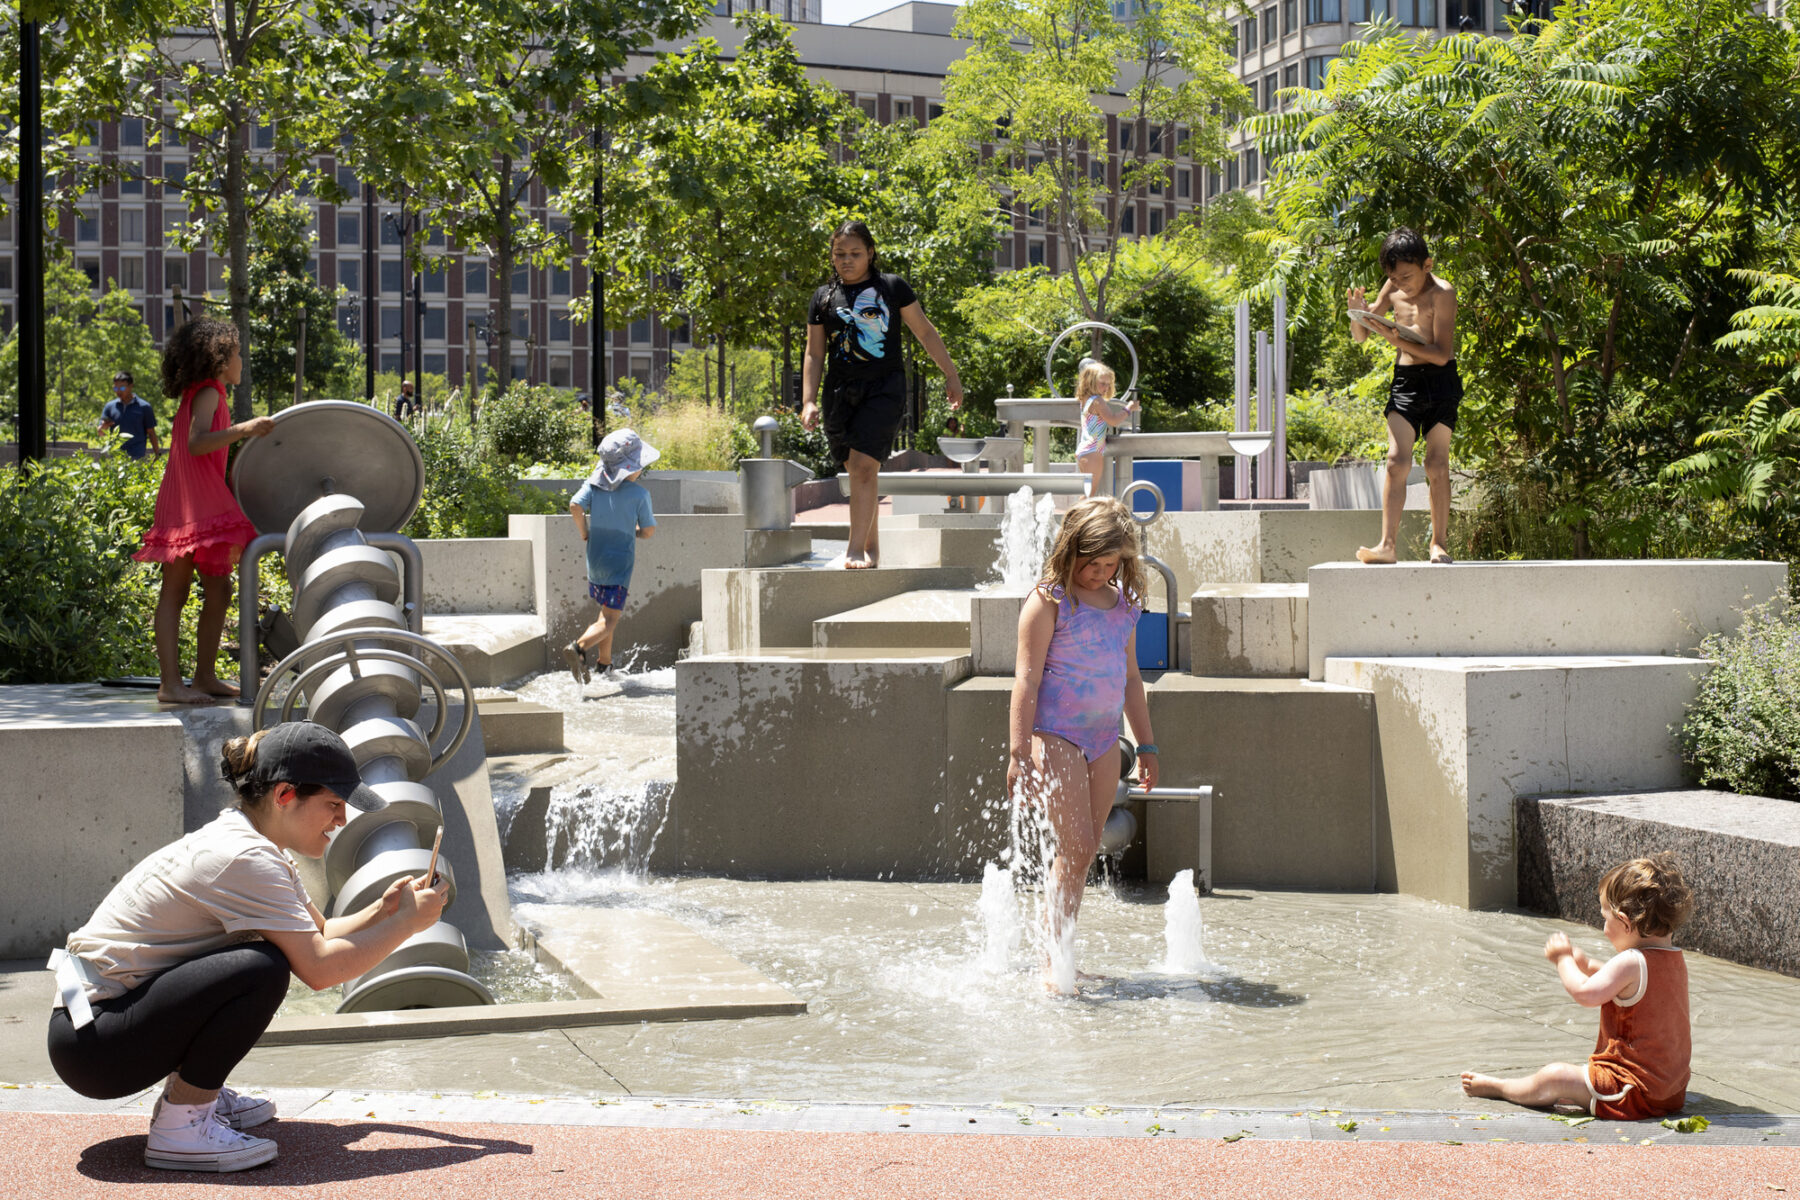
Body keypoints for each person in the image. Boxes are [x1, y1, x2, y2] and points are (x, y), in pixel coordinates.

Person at [46, 722, 448, 1172]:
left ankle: (197, 1097)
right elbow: (319, 970)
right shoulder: (246, 858)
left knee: (261, 958)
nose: (342, 819)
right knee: (261, 968)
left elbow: (324, 933)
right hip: (96, 1046)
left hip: (96, 1028)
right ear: (284, 795)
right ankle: (183, 1125)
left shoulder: (254, 844)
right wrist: (409, 926)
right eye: (334, 804)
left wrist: (385, 911)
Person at [1008, 496, 1158, 993]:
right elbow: (1025, 683)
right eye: (1090, 562)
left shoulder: (1124, 608)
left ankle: (1062, 954)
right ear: (1069, 551)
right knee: (1073, 844)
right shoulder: (1050, 600)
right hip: (1055, 736)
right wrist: (1018, 753)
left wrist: (1149, 746)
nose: (1098, 572)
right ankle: (1053, 963)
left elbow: (1132, 681)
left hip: (1102, 740)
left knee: (1085, 849)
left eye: (1109, 564)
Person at [1461, 853, 1694, 1120]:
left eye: (1605, 919)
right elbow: (1627, 988)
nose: (1604, 928)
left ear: (1625, 921)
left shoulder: (1631, 961)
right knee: (1572, 1081)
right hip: (1670, 1094)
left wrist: (1563, 960)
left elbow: (1586, 993)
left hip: (1630, 1092)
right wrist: (1590, 964)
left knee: (1555, 1076)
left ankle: (1501, 1088)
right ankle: (1574, 1091)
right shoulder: (1674, 959)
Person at [801, 220, 964, 569]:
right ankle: (872, 548)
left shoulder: (892, 288)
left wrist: (951, 375)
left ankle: (854, 549)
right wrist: (809, 399)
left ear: (870, 253)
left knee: (862, 466)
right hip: (839, 393)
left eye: (855, 253)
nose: (846, 260)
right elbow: (814, 353)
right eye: (839, 254)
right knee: (859, 471)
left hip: (884, 389)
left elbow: (925, 332)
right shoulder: (823, 298)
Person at [134, 318, 274, 705]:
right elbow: (197, 444)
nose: (242, 360)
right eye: (237, 353)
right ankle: (171, 685)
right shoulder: (210, 390)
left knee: (220, 588)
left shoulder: (206, 392)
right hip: (191, 502)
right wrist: (246, 428)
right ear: (219, 360)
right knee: (175, 592)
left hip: (195, 498)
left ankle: (204, 676)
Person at [1348, 227, 1460, 566]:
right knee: (1397, 462)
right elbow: (1362, 336)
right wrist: (1357, 314)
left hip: (1441, 381)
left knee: (1436, 463)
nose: (1400, 285)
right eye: (1393, 279)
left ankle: (1438, 545)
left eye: (1406, 277)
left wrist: (1394, 340)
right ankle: (1387, 545)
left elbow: (1441, 353)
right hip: (1406, 381)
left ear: (1427, 265)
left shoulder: (1443, 293)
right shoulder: (1393, 286)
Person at [564, 428, 658, 685]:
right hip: (619, 565)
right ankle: (579, 648)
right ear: (631, 468)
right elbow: (648, 531)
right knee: (611, 619)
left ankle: (604, 664)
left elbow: (574, 505)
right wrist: (635, 531)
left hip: (595, 562)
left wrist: (585, 532)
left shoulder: (593, 485)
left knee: (605, 614)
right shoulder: (640, 495)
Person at [1074, 359, 1137, 497]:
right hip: (1092, 452)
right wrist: (1128, 408)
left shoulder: (1086, 399)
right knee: (1088, 495)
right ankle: (1074, 518)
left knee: (1087, 494)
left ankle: (1075, 518)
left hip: (1085, 451)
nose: (1106, 388)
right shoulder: (1098, 401)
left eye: (1108, 385)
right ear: (1090, 382)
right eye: (1102, 384)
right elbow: (1113, 420)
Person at [99, 370, 162, 459]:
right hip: (115, 456)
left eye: (122, 388)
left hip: (137, 456)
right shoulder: (110, 407)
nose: (118, 392)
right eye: (116, 388)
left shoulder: (144, 407)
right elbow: (100, 433)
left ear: (131, 386)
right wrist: (104, 426)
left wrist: (157, 454)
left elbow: (151, 433)